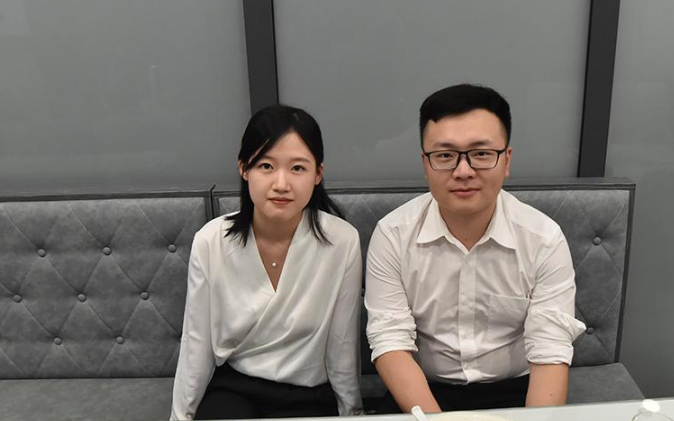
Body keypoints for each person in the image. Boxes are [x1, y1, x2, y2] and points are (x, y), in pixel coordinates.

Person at [365, 84, 586, 413]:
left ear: (506, 160)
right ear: (425, 164)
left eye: (481, 154)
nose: (463, 171)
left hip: (515, 389)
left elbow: (550, 349)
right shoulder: (393, 235)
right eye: (445, 156)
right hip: (423, 390)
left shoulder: (543, 239)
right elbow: (390, 340)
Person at [170, 105, 364, 420]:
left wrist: (352, 412)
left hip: (310, 393)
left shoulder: (342, 241)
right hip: (235, 389)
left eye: (298, 168)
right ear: (244, 169)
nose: (281, 183)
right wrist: (181, 416)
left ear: (318, 174)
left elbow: (342, 342)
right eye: (266, 166)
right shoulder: (211, 241)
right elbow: (197, 342)